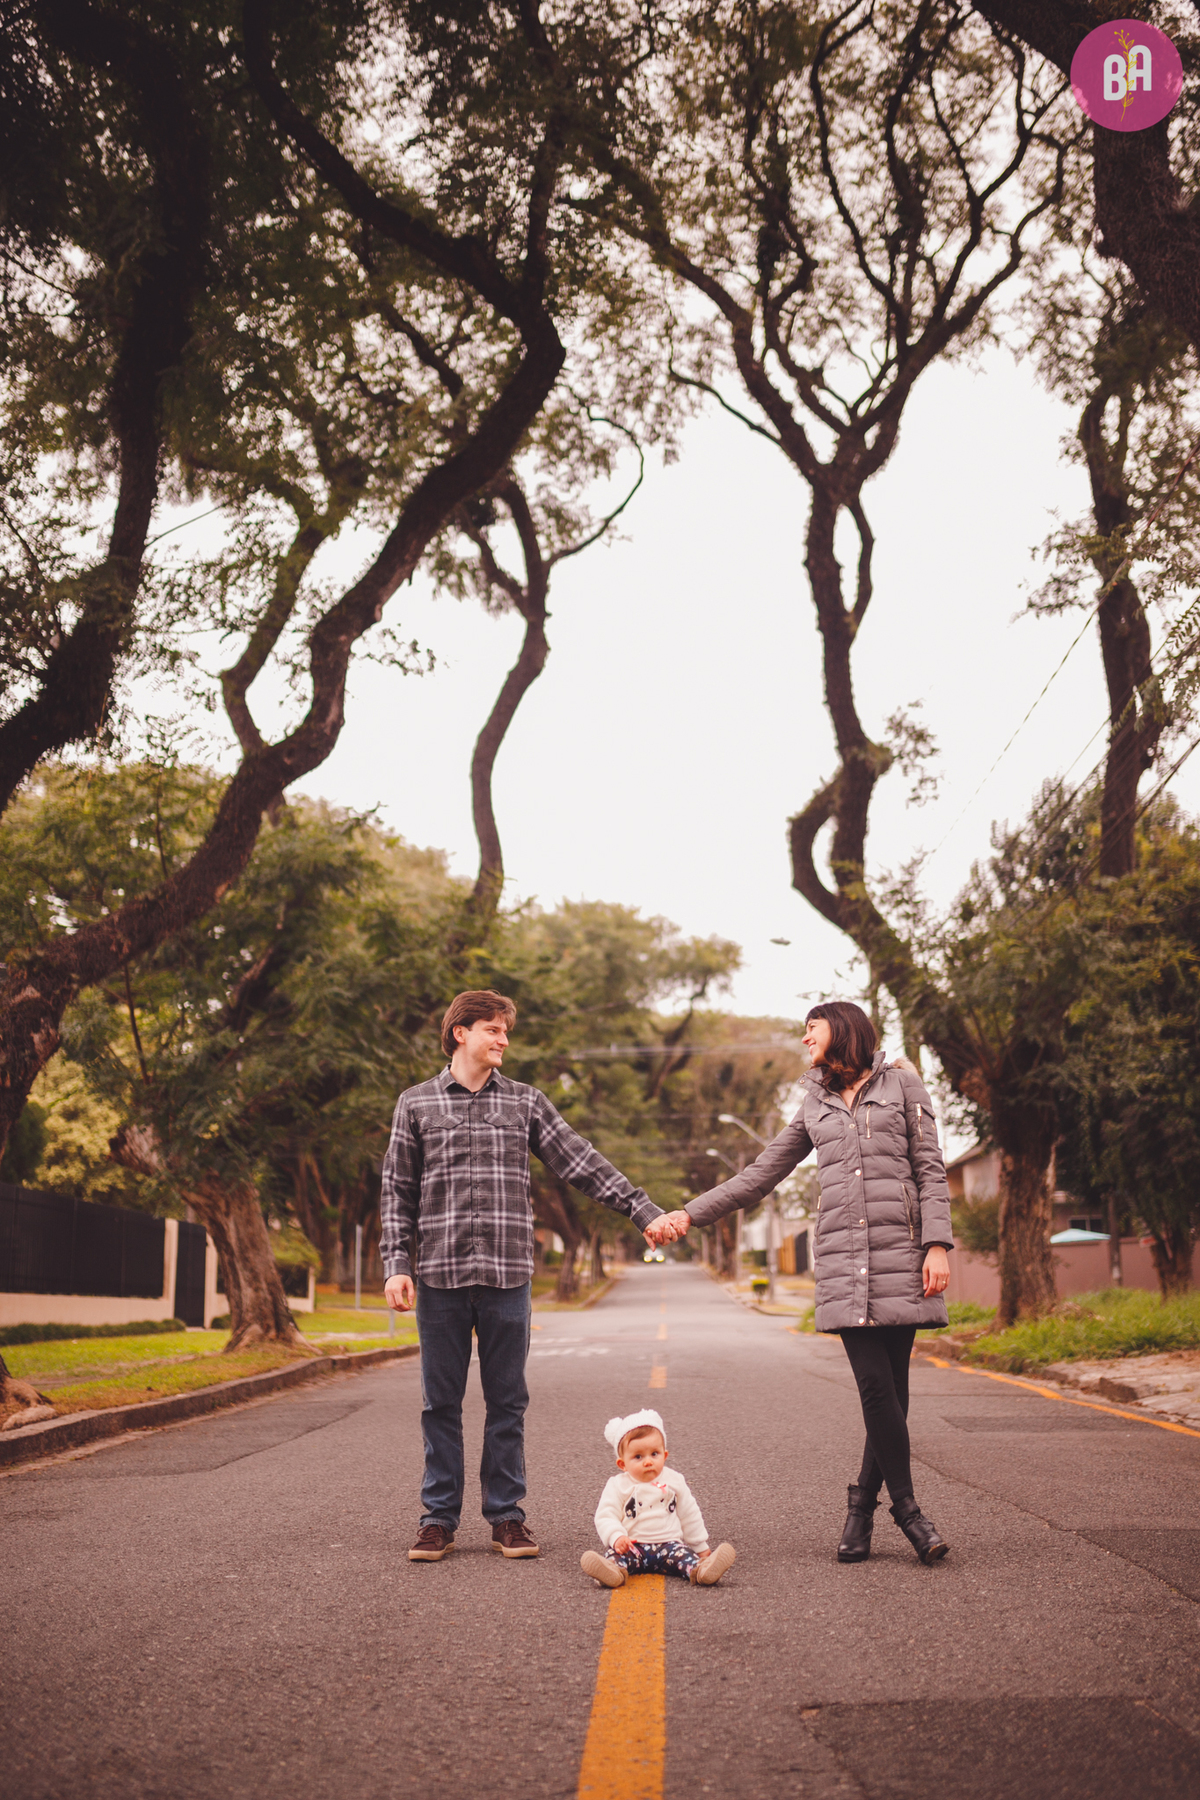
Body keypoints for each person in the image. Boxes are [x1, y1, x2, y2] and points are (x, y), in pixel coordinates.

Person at [649, 1000, 953, 1566]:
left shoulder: (905, 1085)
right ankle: (909, 1512)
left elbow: (930, 1169)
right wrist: (689, 1214)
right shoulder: (813, 1103)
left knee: (894, 1391)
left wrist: (937, 1244)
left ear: (842, 1029)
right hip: (845, 1262)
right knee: (875, 1389)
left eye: (810, 1029)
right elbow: (760, 1174)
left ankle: (860, 1508)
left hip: (904, 1255)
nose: (804, 1039)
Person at [381, 989, 666, 1564]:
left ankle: (506, 1517)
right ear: (460, 1032)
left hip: (508, 1274)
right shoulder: (415, 1105)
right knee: (441, 1404)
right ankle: (437, 1519)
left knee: (507, 1403)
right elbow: (397, 1191)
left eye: (506, 1031)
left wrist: (642, 1209)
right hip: (439, 1276)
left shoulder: (525, 1104)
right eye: (493, 1029)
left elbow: (580, 1161)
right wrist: (396, 1264)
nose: (504, 1040)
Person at [581, 1407, 736, 1588]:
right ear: (622, 1464)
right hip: (633, 1547)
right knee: (615, 1557)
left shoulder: (674, 1480)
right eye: (638, 1457)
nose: (648, 1461)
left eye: (654, 1454)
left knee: (686, 1558)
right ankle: (612, 1573)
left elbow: (689, 1514)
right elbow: (606, 1514)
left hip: (669, 1546)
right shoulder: (617, 1485)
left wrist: (701, 1547)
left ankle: (702, 1570)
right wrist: (616, 1537)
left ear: (665, 1455)